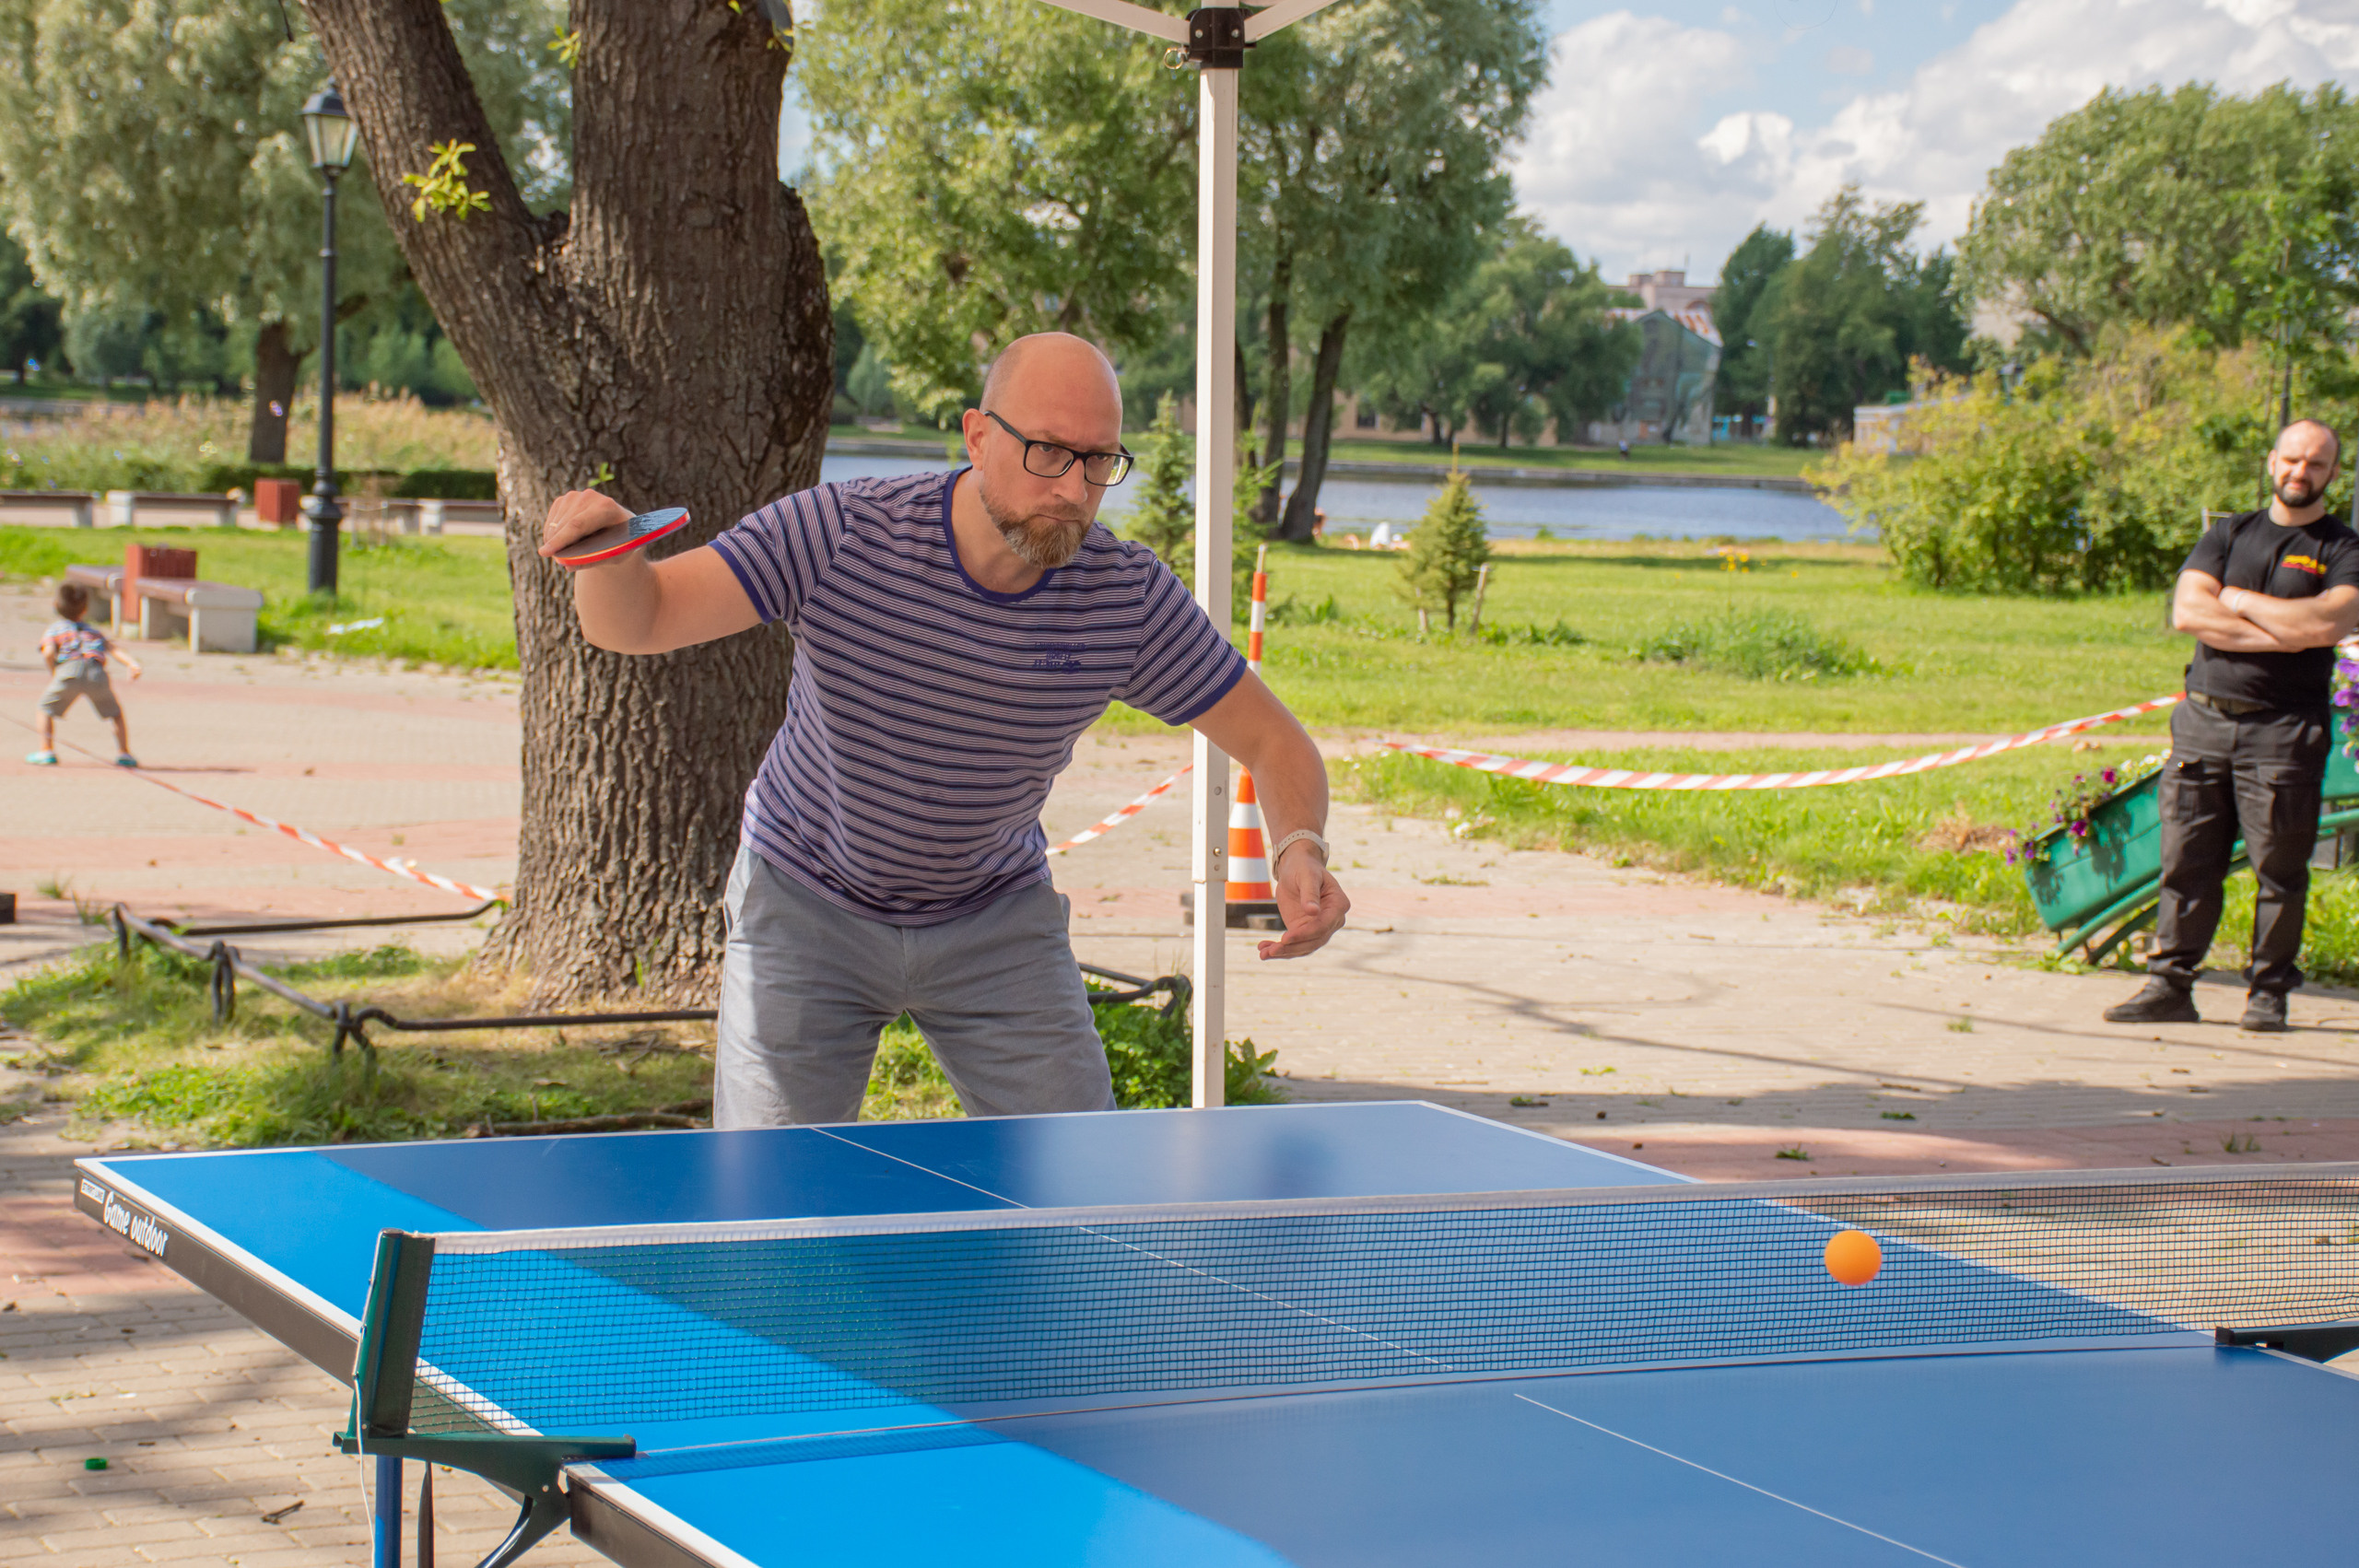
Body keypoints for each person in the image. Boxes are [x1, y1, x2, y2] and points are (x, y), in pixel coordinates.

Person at [540, 332, 1351, 1125]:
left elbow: (1276, 742)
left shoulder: (1125, 599)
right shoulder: (841, 533)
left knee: (1083, 1186)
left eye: (1100, 460)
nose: (1074, 487)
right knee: (771, 1204)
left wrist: (1298, 848)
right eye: (1048, 452)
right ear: (977, 435)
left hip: (995, 916)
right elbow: (640, 620)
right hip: (805, 901)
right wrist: (606, 560)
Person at [2106, 419, 2359, 1033]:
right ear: (2272, 462)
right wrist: (2285, 629)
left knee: (2280, 868)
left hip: (2284, 731)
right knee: (2187, 860)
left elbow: (2329, 624)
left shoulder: (2344, 549)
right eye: (2292, 460)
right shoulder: (2227, 534)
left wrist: (2238, 601)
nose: (2301, 473)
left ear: (2332, 473)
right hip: (2203, 722)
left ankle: (2268, 993)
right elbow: (2190, 610)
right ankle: (2170, 984)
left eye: (2316, 464)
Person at [29, 582, 140, 767]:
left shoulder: (54, 629)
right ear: (86, 609)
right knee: (115, 713)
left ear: (55, 605)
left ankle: (46, 750)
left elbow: (48, 652)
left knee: (45, 708)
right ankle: (124, 753)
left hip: (68, 670)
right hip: (96, 671)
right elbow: (113, 648)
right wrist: (132, 663)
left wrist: (54, 671)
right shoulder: (93, 631)